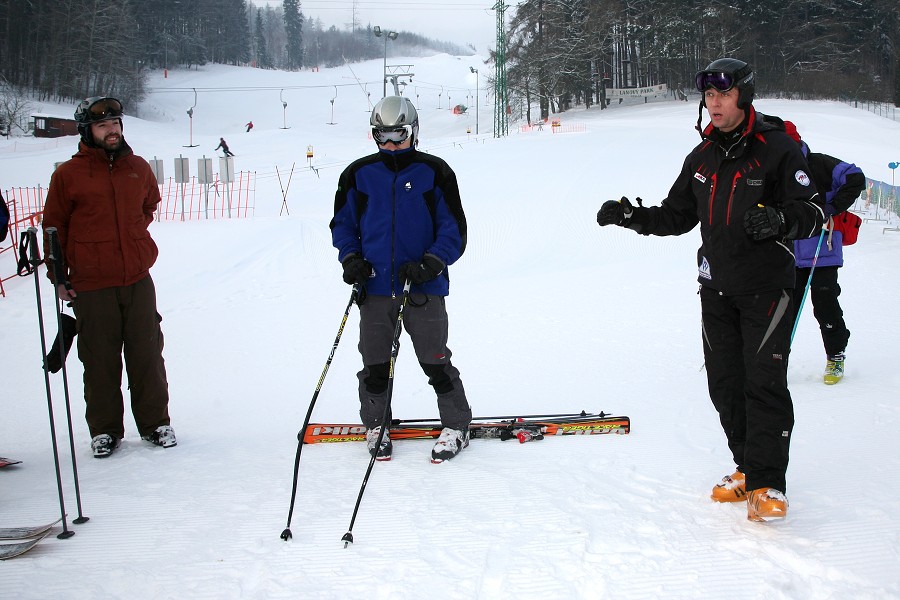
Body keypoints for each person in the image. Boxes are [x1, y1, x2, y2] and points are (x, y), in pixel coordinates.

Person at [596, 58, 824, 522]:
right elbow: (677, 216)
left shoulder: (779, 150)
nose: (713, 104)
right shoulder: (701, 157)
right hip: (716, 288)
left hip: (766, 289)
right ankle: (746, 467)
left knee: (763, 385)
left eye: (722, 95)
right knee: (724, 385)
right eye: (708, 96)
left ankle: (767, 483)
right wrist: (631, 216)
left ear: (744, 95)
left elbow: (814, 212)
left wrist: (782, 219)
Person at [330, 96, 472, 463]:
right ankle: (377, 424)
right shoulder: (358, 174)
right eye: (383, 137)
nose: (391, 145)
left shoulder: (434, 172)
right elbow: (343, 225)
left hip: (423, 287)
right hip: (375, 289)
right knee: (375, 364)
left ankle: (456, 425)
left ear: (414, 131)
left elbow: (453, 229)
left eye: (399, 136)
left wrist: (433, 262)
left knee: (435, 359)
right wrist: (351, 259)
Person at [42, 96, 176, 459]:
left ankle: (155, 424)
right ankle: (104, 431)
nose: (112, 130)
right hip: (91, 283)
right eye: (103, 126)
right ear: (88, 131)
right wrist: (59, 275)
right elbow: (54, 226)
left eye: (115, 124)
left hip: (136, 278)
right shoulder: (68, 175)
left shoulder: (137, 167)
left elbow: (149, 205)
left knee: (147, 353)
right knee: (99, 359)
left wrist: (131, 239)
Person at [781, 121, 865, 385]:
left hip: (823, 249)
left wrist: (833, 207)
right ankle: (776, 361)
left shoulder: (819, 164)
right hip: (788, 252)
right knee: (783, 310)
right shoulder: (773, 169)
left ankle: (836, 355)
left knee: (825, 304)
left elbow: (855, 177)